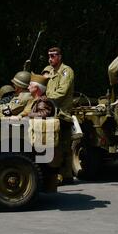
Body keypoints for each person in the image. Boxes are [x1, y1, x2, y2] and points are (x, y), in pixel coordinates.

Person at [42, 47, 75, 184]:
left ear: (60, 57)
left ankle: (63, 175)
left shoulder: (66, 71)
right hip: (53, 114)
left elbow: (62, 91)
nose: (50, 58)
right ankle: (66, 175)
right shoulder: (51, 72)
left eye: (54, 56)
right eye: (49, 56)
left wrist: (45, 99)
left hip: (62, 114)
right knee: (59, 145)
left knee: (60, 146)